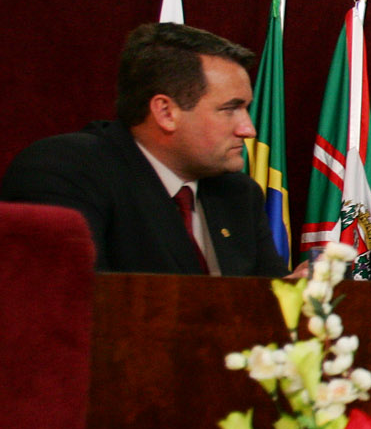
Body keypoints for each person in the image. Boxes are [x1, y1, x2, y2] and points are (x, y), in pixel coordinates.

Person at [1, 22, 284, 275]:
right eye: (229, 109)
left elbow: (270, 301)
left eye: (245, 109)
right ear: (166, 112)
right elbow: (75, 308)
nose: (248, 130)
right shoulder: (65, 172)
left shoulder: (238, 193)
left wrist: (296, 296)